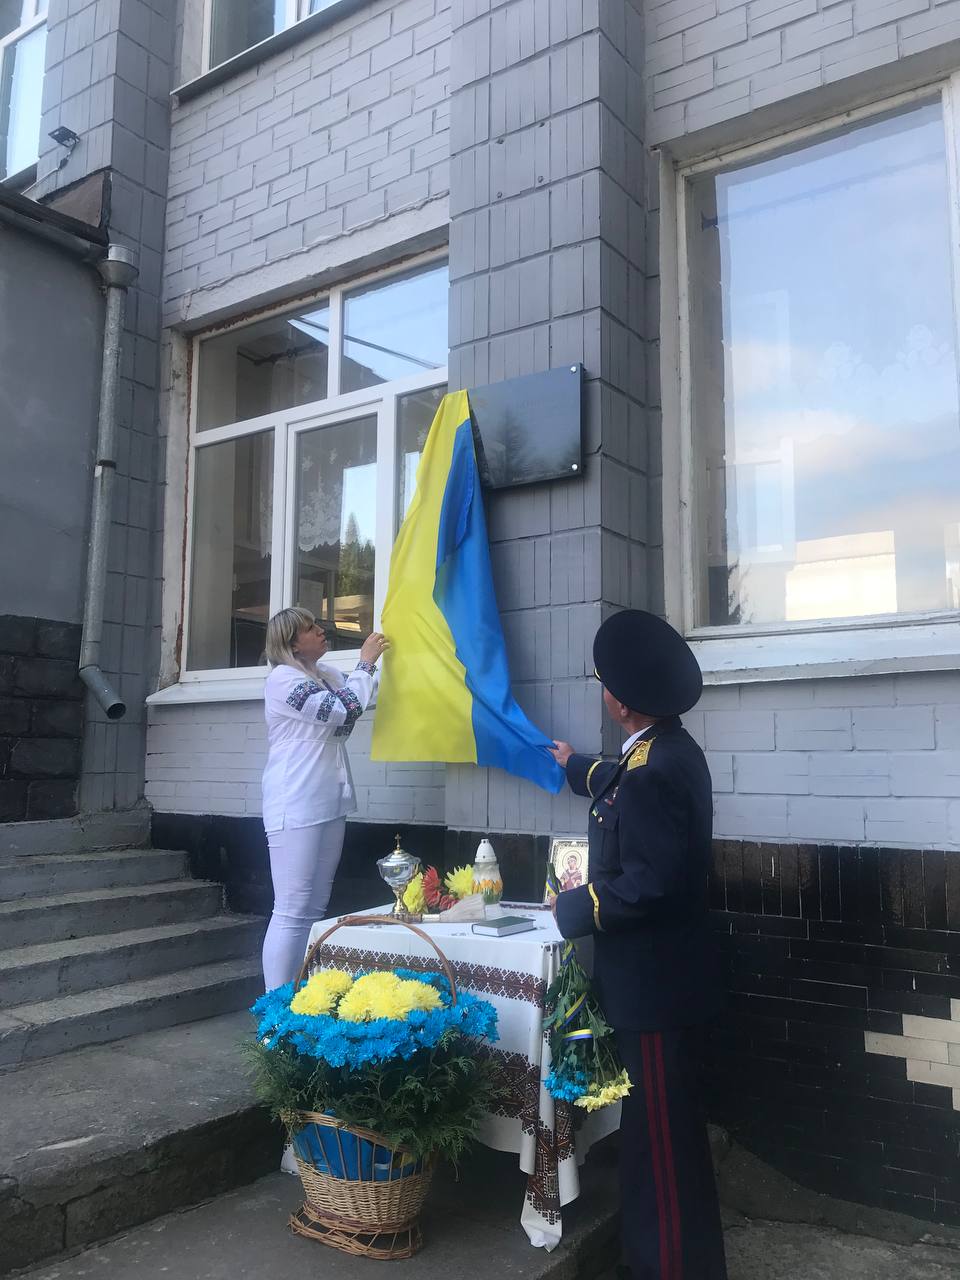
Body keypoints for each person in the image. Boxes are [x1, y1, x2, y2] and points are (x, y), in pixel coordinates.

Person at [549, 609, 727, 1280]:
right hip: (666, 984)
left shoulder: (653, 772)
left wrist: (573, 908)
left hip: (652, 991)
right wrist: (574, 767)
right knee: (664, 1140)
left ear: (621, 703)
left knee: (660, 1151)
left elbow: (649, 883)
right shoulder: (666, 749)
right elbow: (618, 782)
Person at [260, 606, 388, 992]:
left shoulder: (327, 676)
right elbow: (343, 710)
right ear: (292, 643)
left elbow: (358, 701)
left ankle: (300, 995)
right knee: (291, 908)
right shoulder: (283, 679)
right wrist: (366, 663)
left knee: (315, 906)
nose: (321, 630)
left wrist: (371, 674)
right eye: (310, 628)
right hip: (295, 802)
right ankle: (275, 1007)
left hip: (331, 799)